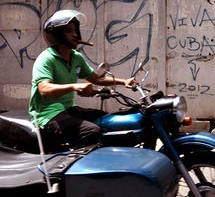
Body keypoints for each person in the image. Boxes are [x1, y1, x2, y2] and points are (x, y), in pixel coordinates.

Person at [29, 9, 136, 151]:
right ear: (58, 34)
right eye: (69, 31)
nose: (75, 34)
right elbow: (44, 89)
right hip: (47, 115)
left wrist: (124, 81)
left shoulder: (75, 57)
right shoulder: (46, 58)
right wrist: (75, 86)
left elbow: (96, 79)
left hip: (68, 109)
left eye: (75, 30)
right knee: (91, 131)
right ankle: (74, 166)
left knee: (108, 121)